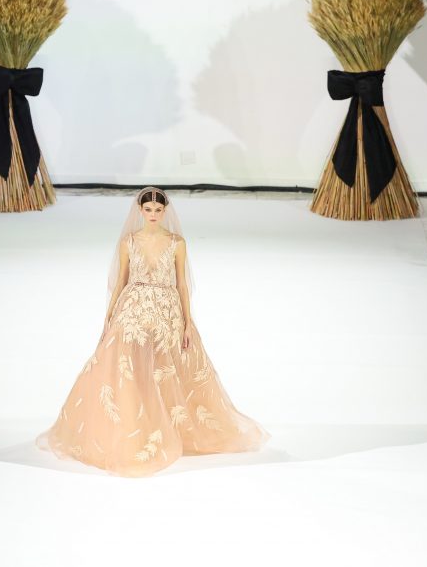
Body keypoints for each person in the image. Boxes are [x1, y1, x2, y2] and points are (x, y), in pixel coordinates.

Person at [39, 188, 267, 476]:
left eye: (158, 210)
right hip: (133, 306)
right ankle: (134, 424)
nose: (153, 214)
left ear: (165, 211)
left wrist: (188, 321)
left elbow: (182, 284)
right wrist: (108, 315)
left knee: (166, 366)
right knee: (124, 362)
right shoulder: (129, 242)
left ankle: (164, 425)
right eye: (148, 210)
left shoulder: (177, 243)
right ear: (140, 211)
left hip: (166, 308)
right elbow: (120, 281)